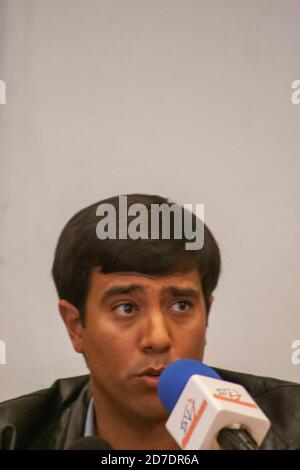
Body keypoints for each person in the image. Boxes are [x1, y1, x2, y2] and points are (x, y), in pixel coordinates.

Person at [0, 194, 299, 450]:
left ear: (206, 314)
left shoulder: (292, 425)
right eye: (126, 308)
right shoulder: (13, 436)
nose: (158, 338)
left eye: (181, 305)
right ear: (75, 326)